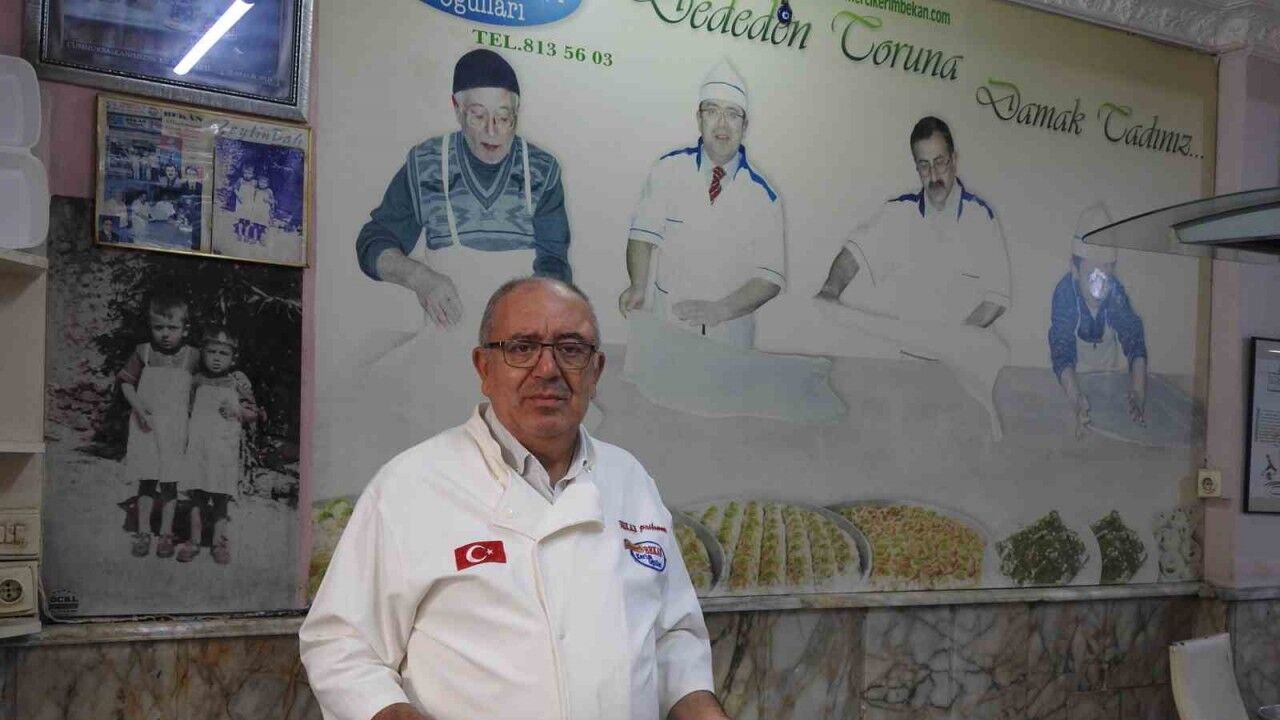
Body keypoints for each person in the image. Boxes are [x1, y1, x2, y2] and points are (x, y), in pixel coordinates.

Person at [301, 278, 729, 720]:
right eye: (522, 348)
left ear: (596, 371)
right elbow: (341, 644)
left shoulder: (631, 479)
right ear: (483, 368)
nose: (547, 369)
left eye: (571, 349)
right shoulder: (410, 486)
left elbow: (672, 640)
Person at [815, 115, 1011, 439]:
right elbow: (853, 254)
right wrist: (830, 289)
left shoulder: (981, 217)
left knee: (964, 451)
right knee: (909, 450)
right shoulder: (899, 212)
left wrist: (951, 345)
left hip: (962, 371)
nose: (934, 175)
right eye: (924, 166)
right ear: (916, 168)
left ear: (954, 160)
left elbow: (997, 299)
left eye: (940, 162)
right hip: (910, 370)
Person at [355, 48, 572, 329]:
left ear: (516, 113)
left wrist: (535, 310)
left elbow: (555, 262)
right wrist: (420, 278)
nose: (492, 130)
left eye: (504, 118)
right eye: (478, 116)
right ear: (457, 109)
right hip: (447, 339)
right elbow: (373, 242)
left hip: (519, 335)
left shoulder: (542, 171)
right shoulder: (426, 164)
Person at [619, 59, 784, 349]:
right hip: (670, 324)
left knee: (726, 379)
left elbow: (769, 278)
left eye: (732, 114)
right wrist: (638, 285)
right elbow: (642, 236)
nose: (722, 124)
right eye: (712, 111)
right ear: (699, 119)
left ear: (744, 126)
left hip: (730, 335)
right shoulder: (668, 169)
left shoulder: (764, 196)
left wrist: (721, 310)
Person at [1048, 203, 1147, 438]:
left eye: (1106, 274)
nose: (1099, 286)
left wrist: (1138, 391)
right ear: (1075, 270)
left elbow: (1134, 338)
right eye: (1091, 274)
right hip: (1072, 382)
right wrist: (1076, 400)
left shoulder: (1116, 293)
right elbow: (1061, 349)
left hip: (1109, 380)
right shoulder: (1065, 293)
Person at [116, 294, 200, 559]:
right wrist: (139, 408)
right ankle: (143, 532)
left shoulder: (192, 356)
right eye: (158, 327)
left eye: (172, 328)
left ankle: (166, 534)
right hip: (147, 425)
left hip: (175, 429)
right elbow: (126, 383)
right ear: (150, 327)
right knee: (147, 479)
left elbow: (208, 384)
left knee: (170, 482)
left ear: (185, 329)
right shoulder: (143, 352)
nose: (165, 334)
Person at [176, 325, 261, 564]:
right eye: (211, 352)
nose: (216, 358)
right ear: (202, 352)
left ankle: (218, 542)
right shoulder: (196, 381)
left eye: (223, 354)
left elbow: (254, 414)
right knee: (197, 496)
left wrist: (237, 410)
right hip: (198, 450)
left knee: (221, 497)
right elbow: (186, 411)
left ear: (233, 357)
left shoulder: (236, 383)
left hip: (224, 451)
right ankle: (193, 540)